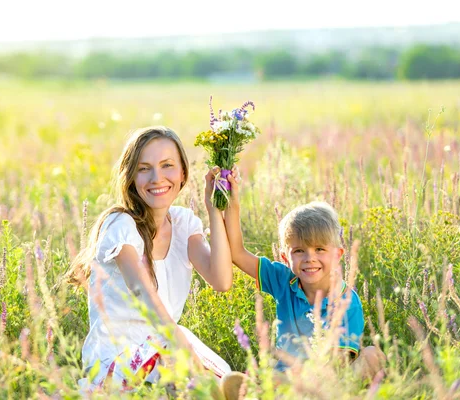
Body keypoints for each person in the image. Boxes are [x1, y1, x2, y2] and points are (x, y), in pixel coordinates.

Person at [66, 126, 235, 393]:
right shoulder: (119, 225)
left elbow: (222, 280)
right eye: (144, 168)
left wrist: (214, 208)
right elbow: (140, 288)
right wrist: (175, 339)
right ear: (131, 177)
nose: (157, 177)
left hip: (165, 343)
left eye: (167, 165)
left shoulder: (183, 224)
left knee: (221, 378)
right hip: (117, 358)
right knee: (181, 363)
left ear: (182, 173)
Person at [222, 166, 385, 380]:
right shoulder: (283, 280)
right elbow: (236, 253)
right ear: (284, 258)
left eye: (320, 249)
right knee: (274, 378)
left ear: (338, 254)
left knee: (373, 356)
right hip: (286, 376)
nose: (310, 258)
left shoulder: (347, 302)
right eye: (299, 251)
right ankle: (250, 391)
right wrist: (232, 201)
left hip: (328, 381)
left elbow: (340, 362)